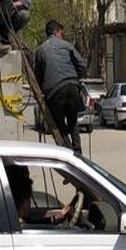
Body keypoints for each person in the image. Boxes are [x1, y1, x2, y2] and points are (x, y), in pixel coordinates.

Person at [32, 19, 87, 155]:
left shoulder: (40, 50)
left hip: (54, 91)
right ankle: (78, 153)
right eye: (61, 32)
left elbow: (36, 78)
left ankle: (68, 154)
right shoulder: (67, 46)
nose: (62, 35)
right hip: (72, 87)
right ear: (56, 32)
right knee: (73, 120)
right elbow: (82, 65)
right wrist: (75, 78)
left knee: (59, 125)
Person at [4, 163, 72, 225]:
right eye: (29, 198)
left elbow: (35, 224)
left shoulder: (10, 221)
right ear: (24, 203)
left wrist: (56, 217)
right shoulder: (19, 227)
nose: (31, 203)